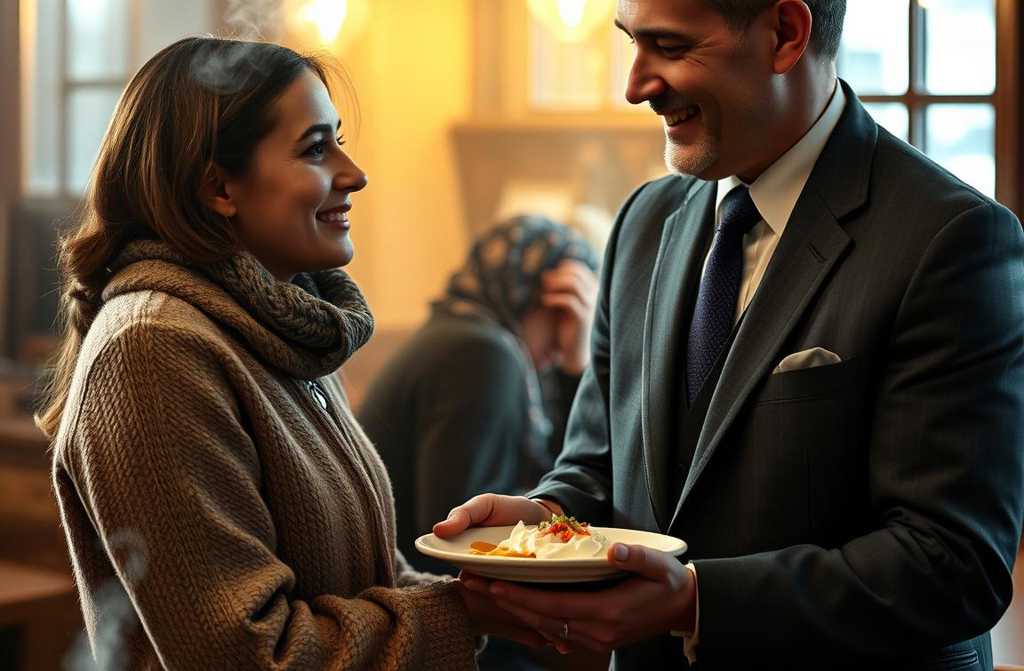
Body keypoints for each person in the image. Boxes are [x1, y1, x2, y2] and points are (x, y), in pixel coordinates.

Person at [434, 1, 1024, 669]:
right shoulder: (643, 222)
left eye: (670, 46)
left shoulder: (950, 237)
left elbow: (952, 562)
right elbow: (598, 465)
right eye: (633, 42)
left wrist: (696, 601)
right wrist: (545, 519)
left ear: (785, 34)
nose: (635, 85)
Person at [36, 36, 542, 670]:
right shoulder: (153, 347)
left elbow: (359, 586)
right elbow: (246, 654)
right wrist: (464, 612)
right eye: (314, 149)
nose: (353, 174)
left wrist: (495, 593)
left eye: (340, 140)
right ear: (220, 186)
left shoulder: (281, 329)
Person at [357, 215, 599, 577]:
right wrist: (576, 370)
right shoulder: (480, 355)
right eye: (564, 311)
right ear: (533, 293)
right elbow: (466, 543)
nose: (572, 329)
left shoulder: (460, 336)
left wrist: (574, 367)